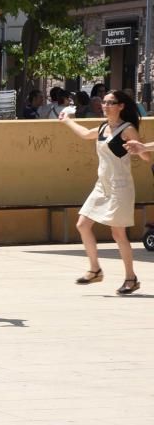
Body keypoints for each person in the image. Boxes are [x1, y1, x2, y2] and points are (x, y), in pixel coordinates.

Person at [61, 90, 148, 294]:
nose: (105, 105)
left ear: (121, 106)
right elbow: (84, 134)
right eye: (104, 102)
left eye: (111, 102)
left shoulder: (127, 129)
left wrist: (139, 150)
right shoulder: (102, 127)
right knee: (82, 224)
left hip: (120, 186)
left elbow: (145, 156)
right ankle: (95, 270)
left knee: (118, 233)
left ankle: (131, 278)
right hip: (102, 185)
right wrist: (66, 120)